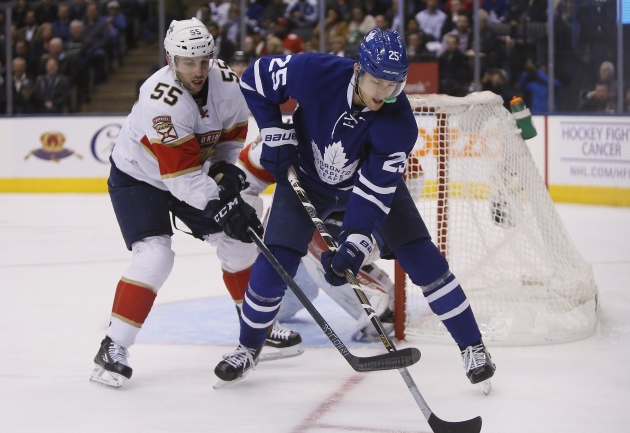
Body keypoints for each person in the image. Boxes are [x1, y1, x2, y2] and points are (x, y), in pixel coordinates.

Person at [214, 28, 496, 387]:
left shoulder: (399, 123)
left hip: (364, 187)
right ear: (358, 69)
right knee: (275, 262)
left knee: (424, 259)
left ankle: (473, 347)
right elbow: (254, 78)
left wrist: (354, 242)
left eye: (394, 84)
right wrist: (272, 130)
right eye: (377, 81)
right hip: (306, 178)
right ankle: (248, 348)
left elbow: (375, 190)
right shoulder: (314, 72)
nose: (384, 93)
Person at [89, 18, 301, 390]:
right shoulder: (160, 101)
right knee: (155, 256)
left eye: (204, 60)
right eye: (188, 62)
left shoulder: (227, 84)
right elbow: (181, 180)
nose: (198, 70)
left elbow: (232, 138)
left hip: (189, 172)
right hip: (139, 177)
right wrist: (224, 205)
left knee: (239, 241)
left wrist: (222, 168)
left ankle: (257, 329)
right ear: (171, 60)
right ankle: (112, 347)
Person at [236, 138, 398, 343]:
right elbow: (244, 175)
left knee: (323, 244)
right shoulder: (287, 136)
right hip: (299, 231)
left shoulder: (369, 134)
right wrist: (246, 214)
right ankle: (380, 284)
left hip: (367, 217)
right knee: (280, 306)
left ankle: (378, 302)